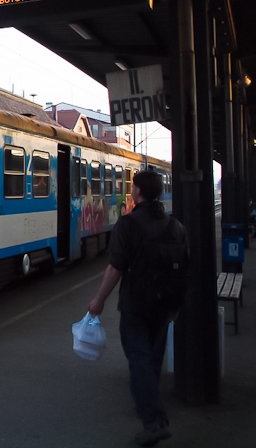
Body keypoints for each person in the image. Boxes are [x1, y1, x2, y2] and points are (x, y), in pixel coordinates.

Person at [88, 170, 188, 447]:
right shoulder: (175, 226)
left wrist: (98, 301)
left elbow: (115, 268)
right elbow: (186, 267)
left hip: (136, 303)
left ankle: (153, 421)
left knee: (139, 359)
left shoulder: (128, 224)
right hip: (165, 303)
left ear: (138, 192)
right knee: (153, 357)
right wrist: (177, 305)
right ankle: (149, 403)